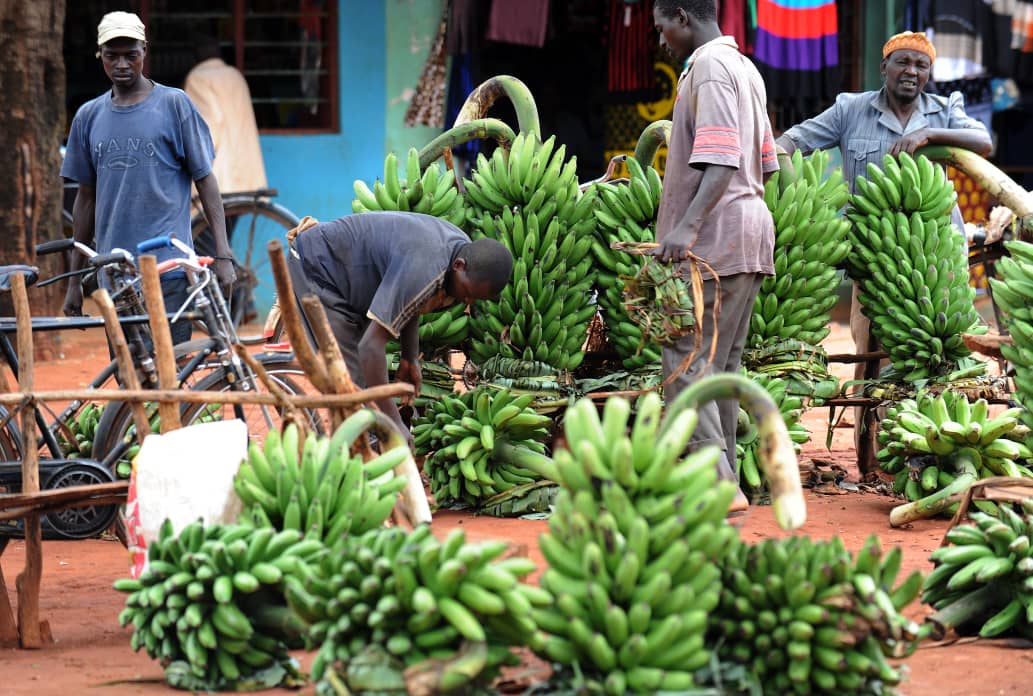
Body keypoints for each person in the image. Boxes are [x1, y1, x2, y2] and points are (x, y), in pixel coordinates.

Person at [774, 30, 992, 443]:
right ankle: (871, 451)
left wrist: (930, 136)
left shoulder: (945, 109)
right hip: (875, 256)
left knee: (935, 348)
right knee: (870, 353)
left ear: (929, 72)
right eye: (903, 62)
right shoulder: (849, 109)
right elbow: (794, 140)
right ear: (884, 67)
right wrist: (777, 170)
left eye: (921, 65)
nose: (911, 71)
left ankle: (932, 440)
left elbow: (983, 142)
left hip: (936, 255)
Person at [651, 0, 780, 515]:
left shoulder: (707, 67)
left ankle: (717, 482)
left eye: (662, 28)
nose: (661, 42)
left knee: (683, 359)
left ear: (682, 16)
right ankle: (725, 475)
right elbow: (766, 163)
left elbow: (723, 159)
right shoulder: (746, 68)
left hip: (715, 239)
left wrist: (685, 227)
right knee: (720, 365)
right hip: (748, 232)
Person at [61, 11, 234, 345]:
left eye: (131, 54)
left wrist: (223, 256)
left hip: (169, 271)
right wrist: (74, 282)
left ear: (145, 51)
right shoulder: (88, 116)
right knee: (131, 379)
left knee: (173, 377)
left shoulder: (174, 105)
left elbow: (206, 180)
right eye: (112, 56)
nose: (122, 64)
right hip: (115, 275)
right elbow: (85, 198)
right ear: (100, 56)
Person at [288, 211, 513, 444]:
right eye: (468, 293)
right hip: (320, 267)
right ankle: (347, 467)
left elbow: (412, 301)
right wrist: (394, 422)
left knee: (361, 389)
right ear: (459, 266)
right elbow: (370, 348)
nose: (468, 302)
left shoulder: (461, 253)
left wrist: (409, 358)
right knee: (349, 388)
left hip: (352, 279)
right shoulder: (427, 266)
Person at [184, 35, 268, 197]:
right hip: (247, 175)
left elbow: (207, 128)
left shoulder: (198, 78)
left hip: (221, 175)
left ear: (195, 55)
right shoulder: (235, 75)